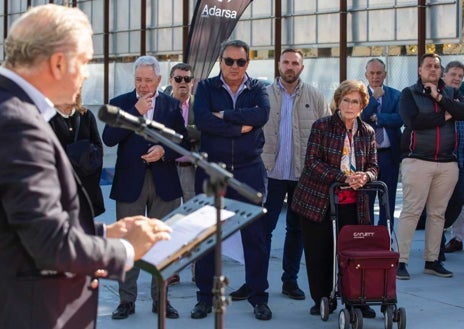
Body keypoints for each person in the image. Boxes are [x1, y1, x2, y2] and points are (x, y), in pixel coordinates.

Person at [0, 4, 172, 329]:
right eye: (85, 61)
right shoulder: (18, 123)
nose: (88, 73)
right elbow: (50, 245)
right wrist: (122, 248)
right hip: (31, 310)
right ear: (58, 62)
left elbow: (23, 223)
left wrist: (101, 232)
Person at [190, 40, 272, 321]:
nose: (234, 67)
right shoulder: (205, 88)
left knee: (255, 238)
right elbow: (202, 120)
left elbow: (261, 115)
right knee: (207, 237)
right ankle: (204, 298)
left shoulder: (258, 88)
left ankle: (259, 297)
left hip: (250, 171)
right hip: (213, 171)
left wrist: (224, 116)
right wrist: (240, 127)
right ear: (220, 61)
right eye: (229, 61)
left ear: (247, 63)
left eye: (240, 62)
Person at [102, 55, 188, 320]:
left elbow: (183, 144)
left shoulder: (173, 106)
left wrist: (164, 150)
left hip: (164, 182)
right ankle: (126, 301)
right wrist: (134, 113)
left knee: (163, 244)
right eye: (139, 79)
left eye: (148, 80)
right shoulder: (120, 104)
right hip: (130, 184)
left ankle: (161, 299)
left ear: (159, 80)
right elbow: (109, 138)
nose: (143, 85)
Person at [246, 48, 329, 301]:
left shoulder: (315, 96)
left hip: (303, 175)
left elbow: (326, 134)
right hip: (269, 173)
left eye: (295, 63)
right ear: (279, 65)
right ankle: (256, 281)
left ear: (301, 68)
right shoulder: (263, 95)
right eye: (286, 62)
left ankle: (290, 281)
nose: (290, 67)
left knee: (297, 230)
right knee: (263, 230)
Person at [291, 79, 378, 319]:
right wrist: (342, 177)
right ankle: (322, 299)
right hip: (319, 199)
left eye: (356, 102)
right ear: (338, 102)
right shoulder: (322, 126)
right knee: (320, 253)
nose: (350, 106)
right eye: (346, 100)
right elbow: (312, 163)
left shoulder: (367, 131)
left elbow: (373, 166)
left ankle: (357, 299)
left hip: (354, 203)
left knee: (355, 253)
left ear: (362, 106)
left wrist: (365, 177)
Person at [396, 53, 464, 280]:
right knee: (411, 212)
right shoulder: (409, 93)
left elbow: (462, 113)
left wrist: (439, 98)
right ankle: (400, 261)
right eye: (429, 66)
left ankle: (432, 261)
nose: (433, 69)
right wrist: (445, 116)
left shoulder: (451, 92)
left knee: (438, 215)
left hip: (446, 163)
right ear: (420, 70)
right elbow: (413, 122)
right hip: (417, 160)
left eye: (436, 66)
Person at [166, 62, 200, 285]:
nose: (183, 83)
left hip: (192, 171)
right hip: (167, 169)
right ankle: (172, 269)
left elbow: (203, 132)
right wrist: (189, 134)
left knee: (195, 221)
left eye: (187, 79)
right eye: (178, 79)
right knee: (170, 222)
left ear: (192, 82)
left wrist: (180, 134)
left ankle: (198, 270)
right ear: (171, 81)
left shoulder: (200, 105)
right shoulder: (161, 105)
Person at [360, 58, 402, 229]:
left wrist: (379, 118)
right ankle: (368, 237)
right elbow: (360, 118)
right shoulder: (359, 95)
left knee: (388, 199)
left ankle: (385, 238)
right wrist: (374, 100)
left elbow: (400, 119)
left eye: (379, 73)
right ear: (366, 75)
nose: (376, 77)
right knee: (366, 200)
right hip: (365, 157)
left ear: (385, 74)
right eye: (372, 73)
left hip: (388, 155)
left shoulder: (395, 95)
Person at [50, 92, 105, 217]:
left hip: (86, 184)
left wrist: (89, 168)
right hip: (60, 186)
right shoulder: (49, 118)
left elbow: (98, 147)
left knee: (86, 227)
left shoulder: (86, 115)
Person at [441, 61, 464, 253]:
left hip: (461, 159)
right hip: (443, 161)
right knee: (442, 204)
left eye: (460, 76)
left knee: (459, 203)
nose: (456, 78)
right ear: (444, 75)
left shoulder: (462, 98)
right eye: (453, 74)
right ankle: (437, 243)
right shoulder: (436, 97)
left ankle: (458, 238)